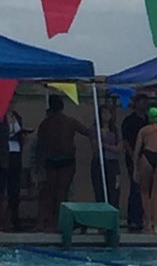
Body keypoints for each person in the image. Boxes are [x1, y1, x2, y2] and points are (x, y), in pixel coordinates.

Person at [35, 95, 90, 231]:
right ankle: (60, 221)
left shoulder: (45, 124)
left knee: (50, 192)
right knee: (62, 191)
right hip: (66, 159)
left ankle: (47, 221)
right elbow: (88, 132)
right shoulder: (70, 121)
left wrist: (39, 165)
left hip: (51, 159)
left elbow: (40, 145)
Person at [121, 94, 149, 230]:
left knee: (146, 188)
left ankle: (144, 218)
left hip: (149, 158)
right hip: (133, 158)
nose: (145, 105)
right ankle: (133, 219)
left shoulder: (149, 120)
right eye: (143, 102)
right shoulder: (129, 121)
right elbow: (125, 141)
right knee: (135, 188)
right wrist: (133, 156)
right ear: (136, 103)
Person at [89, 104, 122, 207]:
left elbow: (119, 148)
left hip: (113, 163)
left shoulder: (115, 130)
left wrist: (105, 145)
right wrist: (101, 137)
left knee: (114, 190)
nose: (106, 115)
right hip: (99, 161)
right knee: (100, 190)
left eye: (108, 113)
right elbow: (95, 148)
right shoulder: (94, 129)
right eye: (103, 113)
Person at [3, 108, 27, 230]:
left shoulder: (17, 116)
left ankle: (14, 218)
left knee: (14, 189)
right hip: (4, 154)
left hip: (16, 153)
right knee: (3, 187)